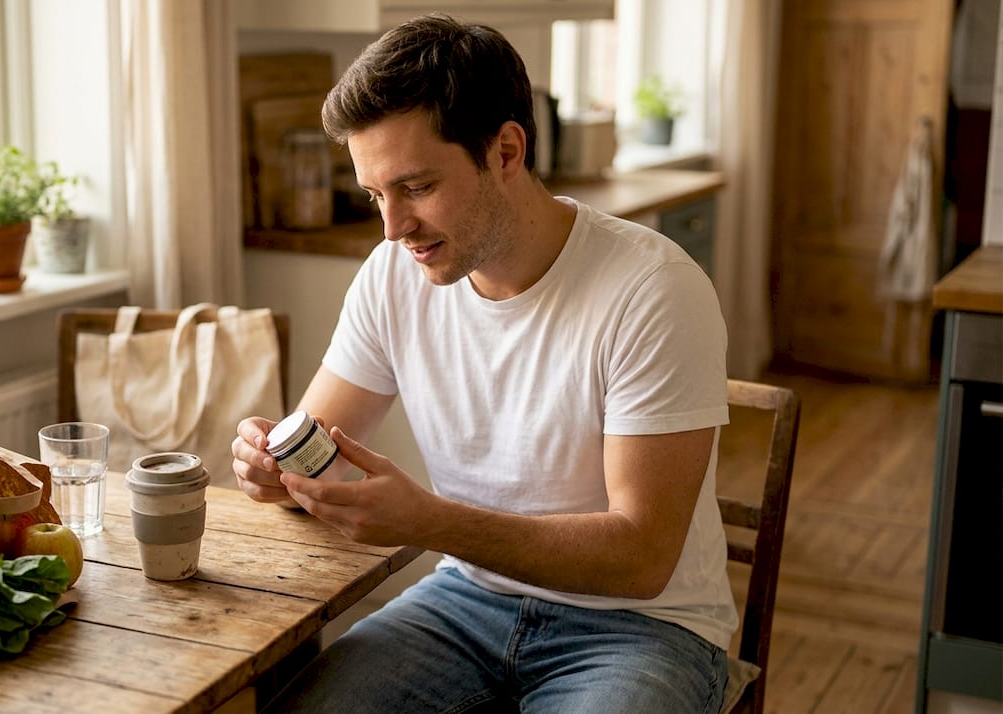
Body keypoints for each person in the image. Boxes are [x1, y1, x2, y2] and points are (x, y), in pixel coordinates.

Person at [231, 13, 734, 713]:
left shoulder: (652, 288)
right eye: (375, 195)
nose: (392, 227)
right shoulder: (390, 276)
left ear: (504, 151)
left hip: (641, 630)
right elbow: (315, 446)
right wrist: (273, 465)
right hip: (466, 602)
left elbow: (642, 557)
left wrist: (430, 522)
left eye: (415, 187)